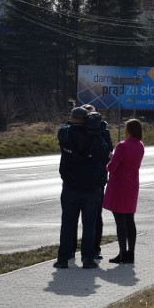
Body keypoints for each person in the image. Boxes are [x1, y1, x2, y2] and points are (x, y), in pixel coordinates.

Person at [53, 107, 110, 269]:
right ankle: (88, 258)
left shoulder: (65, 133)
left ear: (71, 118)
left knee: (67, 223)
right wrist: (98, 129)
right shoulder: (96, 136)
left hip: (70, 186)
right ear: (87, 120)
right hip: (91, 187)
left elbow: (63, 130)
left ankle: (63, 258)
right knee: (90, 224)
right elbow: (105, 152)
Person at [103, 119, 145, 264]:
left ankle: (122, 253)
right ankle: (131, 253)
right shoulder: (140, 145)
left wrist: (110, 158)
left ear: (129, 130)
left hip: (119, 185)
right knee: (129, 219)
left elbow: (112, 167)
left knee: (120, 221)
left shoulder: (122, 146)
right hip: (132, 184)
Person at [81, 104, 113, 259]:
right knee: (75, 217)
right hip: (79, 181)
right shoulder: (76, 132)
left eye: (92, 116)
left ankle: (95, 248)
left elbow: (107, 152)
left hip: (97, 180)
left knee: (96, 216)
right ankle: (76, 247)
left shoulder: (103, 132)